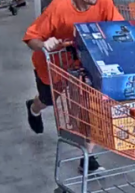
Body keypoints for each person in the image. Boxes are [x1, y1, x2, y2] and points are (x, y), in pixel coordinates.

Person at [23, 0, 124, 173]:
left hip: (87, 64)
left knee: (89, 108)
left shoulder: (104, 3)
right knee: (49, 99)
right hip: (56, 64)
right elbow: (31, 37)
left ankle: (87, 158)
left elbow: (119, 27)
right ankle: (34, 107)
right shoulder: (58, 8)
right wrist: (44, 44)